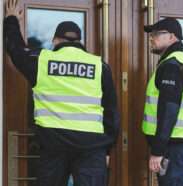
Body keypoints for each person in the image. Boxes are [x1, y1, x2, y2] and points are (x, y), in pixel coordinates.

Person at [4, 0, 120, 185]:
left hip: (54, 145)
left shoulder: (42, 61)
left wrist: (11, 20)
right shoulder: (100, 66)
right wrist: (107, 149)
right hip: (91, 148)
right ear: (79, 41)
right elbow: (111, 112)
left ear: (56, 40)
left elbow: (16, 50)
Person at [142, 17, 183, 186]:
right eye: (151, 34)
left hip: (174, 147)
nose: (151, 38)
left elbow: (169, 109)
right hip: (179, 146)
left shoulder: (172, 65)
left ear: (172, 37)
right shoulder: (180, 62)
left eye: (156, 34)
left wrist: (158, 150)